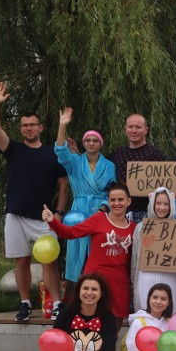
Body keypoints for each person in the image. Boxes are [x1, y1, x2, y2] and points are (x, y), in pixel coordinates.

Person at [0, 82, 68, 321]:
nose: (29, 128)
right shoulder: (12, 149)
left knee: (49, 262)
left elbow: (63, 184)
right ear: (21, 129)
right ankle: (24, 304)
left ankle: (56, 304)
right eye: (24, 125)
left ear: (41, 127)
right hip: (16, 214)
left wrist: (60, 213)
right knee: (21, 261)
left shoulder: (52, 152)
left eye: (33, 124)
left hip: (44, 217)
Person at [44, 182, 135, 321]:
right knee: (91, 323)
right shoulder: (98, 219)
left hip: (119, 282)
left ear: (128, 201)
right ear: (108, 201)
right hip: (95, 280)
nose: (117, 203)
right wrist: (52, 221)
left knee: (114, 327)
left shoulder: (134, 228)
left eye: (121, 199)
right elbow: (71, 232)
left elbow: (133, 261)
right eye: (113, 200)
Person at [53, 108, 116, 282]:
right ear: (83, 142)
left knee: (98, 253)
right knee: (77, 255)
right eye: (87, 140)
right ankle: (76, 296)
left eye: (95, 140)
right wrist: (62, 125)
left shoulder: (110, 166)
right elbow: (60, 150)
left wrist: (105, 207)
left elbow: (114, 192)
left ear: (100, 143)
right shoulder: (74, 162)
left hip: (100, 212)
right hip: (78, 212)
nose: (91, 143)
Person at [130, 187, 176, 313]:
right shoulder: (141, 228)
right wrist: (134, 280)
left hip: (172, 278)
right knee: (146, 312)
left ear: (171, 205)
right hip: (146, 278)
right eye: (158, 203)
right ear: (152, 204)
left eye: (166, 204)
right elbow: (134, 257)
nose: (162, 207)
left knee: (171, 312)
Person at [108, 113, 165, 222]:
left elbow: (163, 184)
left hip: (146, 212)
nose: (134, 130)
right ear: (125, 129)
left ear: (146, 130)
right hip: (120, 210)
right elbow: (98, 166)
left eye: (138, 127)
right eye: (130, 127)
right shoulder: (118, 153)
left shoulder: (155, 154)